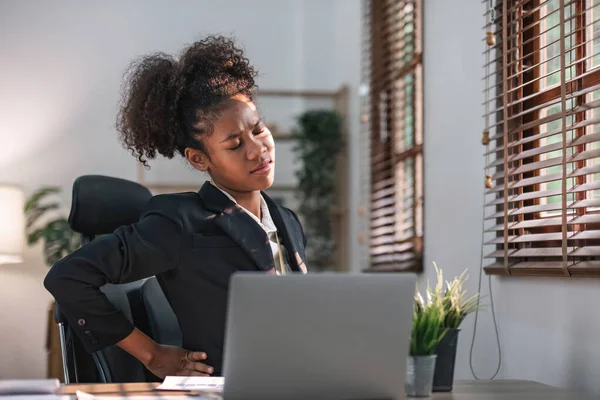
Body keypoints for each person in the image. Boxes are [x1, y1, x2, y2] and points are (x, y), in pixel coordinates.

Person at [43, 35, 308, 379]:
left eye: (259, 130)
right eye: (235, 144)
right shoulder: (180, 221)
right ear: (199, 159)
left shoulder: (287, 221)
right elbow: (68, 276)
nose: (258, 149)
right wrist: (152, 354)